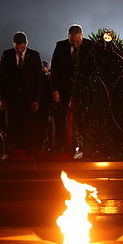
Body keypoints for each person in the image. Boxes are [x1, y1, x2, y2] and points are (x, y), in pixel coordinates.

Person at [0, 31, 44, 152]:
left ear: (26, 44)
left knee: (29, 128)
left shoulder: (34, 55)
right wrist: (2, 98)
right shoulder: (7, 55)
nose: (20, 50)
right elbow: (1, 79)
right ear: (13, 45)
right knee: (12, 127)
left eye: (22, 48)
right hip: (12, 99)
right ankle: (13, 152)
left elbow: (39, 79)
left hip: (28, 99)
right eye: (17, 48)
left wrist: (36, 100)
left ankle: (28, 153)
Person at [50, 24, 89, 154]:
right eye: (73, 42)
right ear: (68, 37)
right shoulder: (60, 46)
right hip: (64, 90)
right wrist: (55, 89)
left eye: (78, 41)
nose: (76, 44)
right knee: (64, 119)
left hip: (84, 91)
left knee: (84, 119)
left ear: (82, 36)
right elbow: (54, 69)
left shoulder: (90, 46)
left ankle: (86, 147)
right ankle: (66, 147)